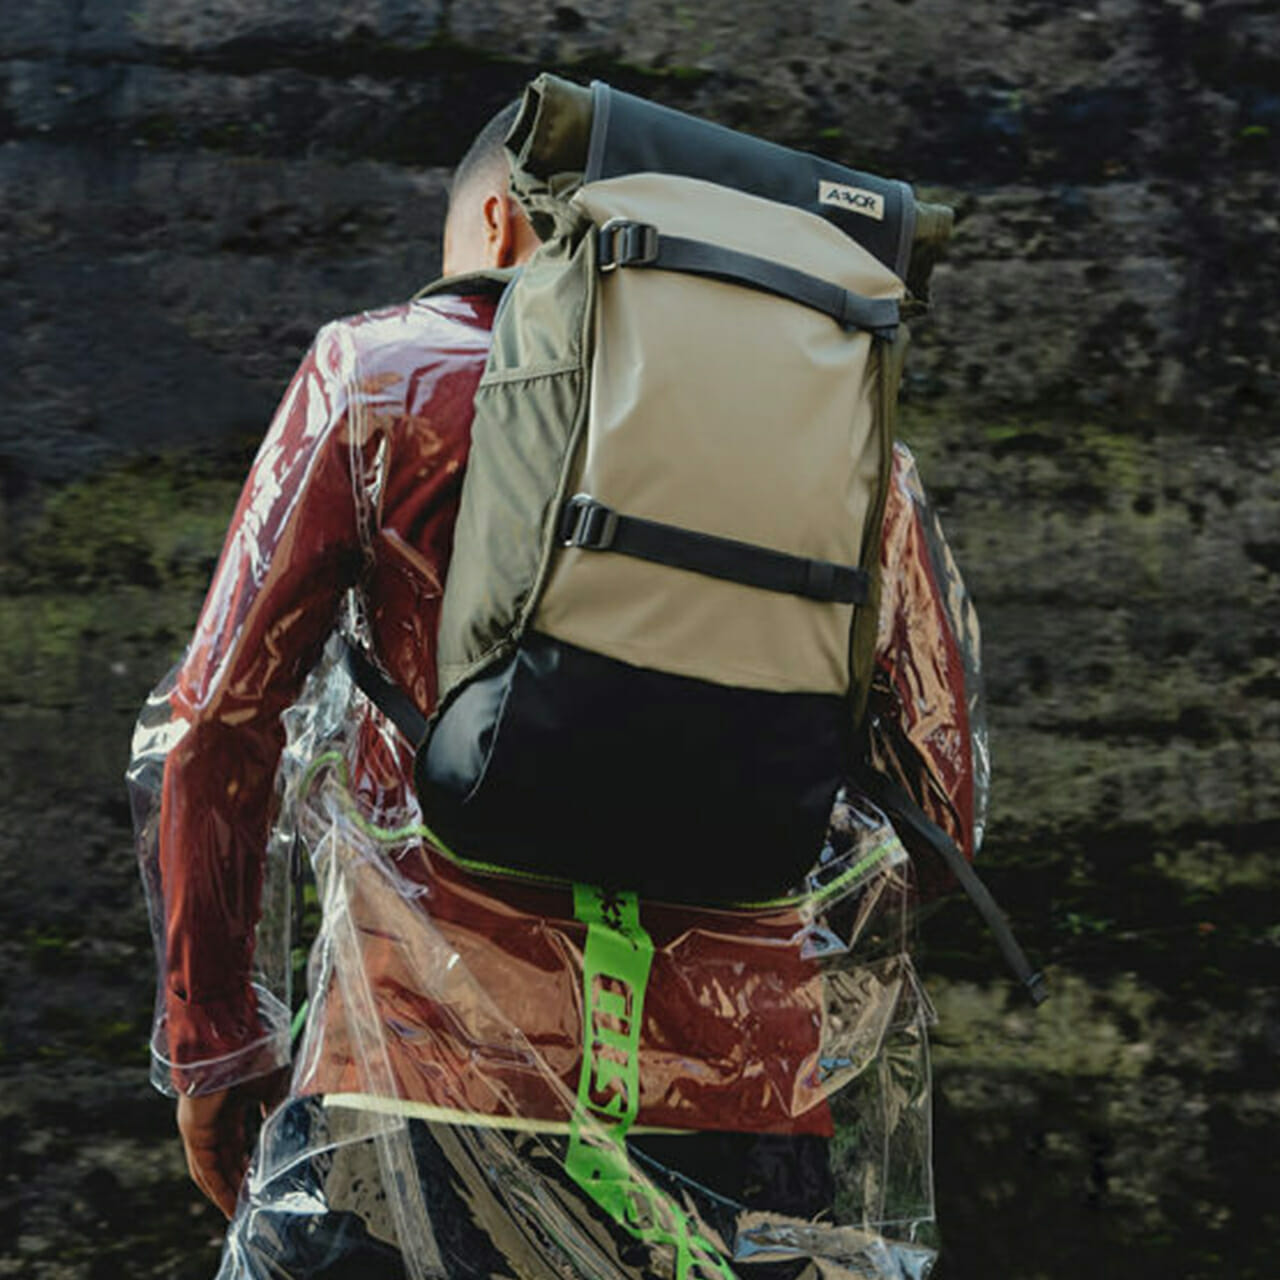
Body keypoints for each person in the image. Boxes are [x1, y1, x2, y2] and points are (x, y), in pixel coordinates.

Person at [130, 95, 978, 1279]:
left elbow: (218, 723)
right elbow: (940, 809)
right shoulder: (853, 459)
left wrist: (215, 1040)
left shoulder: (377, 373)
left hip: (423, 1071)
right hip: (742, 1103)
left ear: (497, 216)